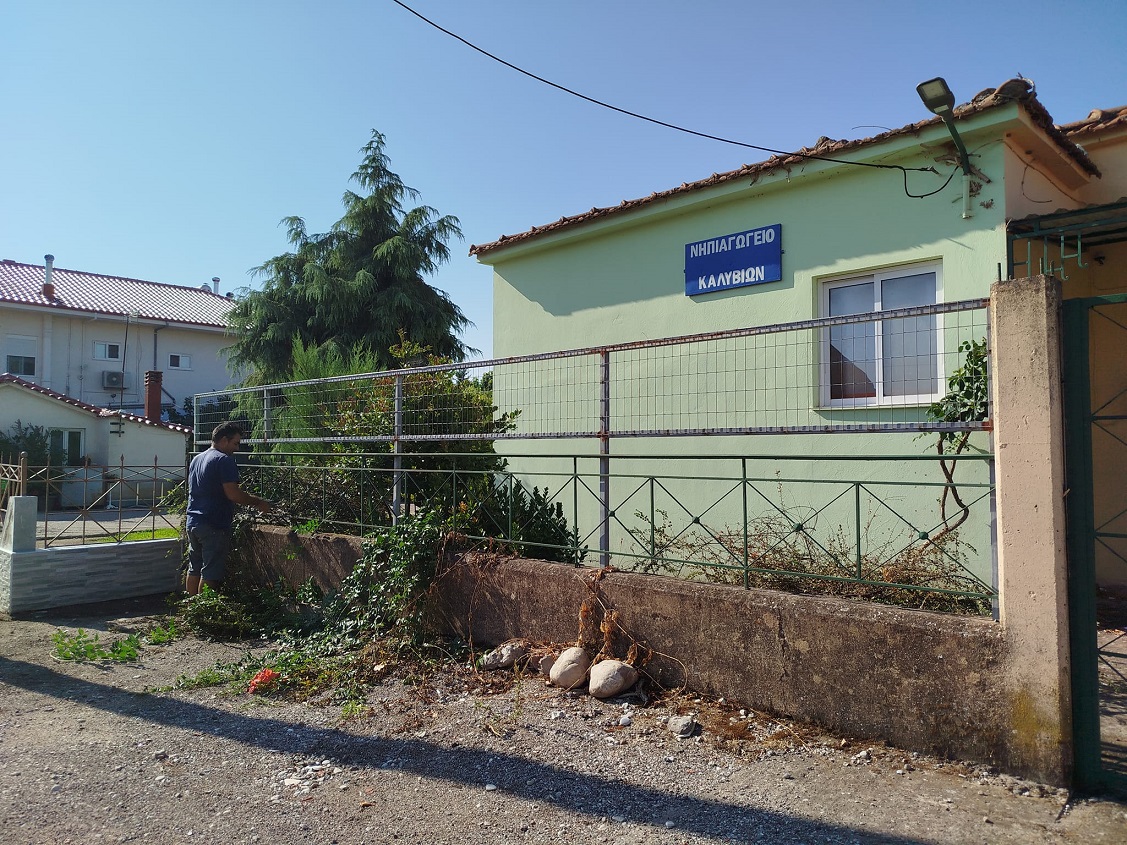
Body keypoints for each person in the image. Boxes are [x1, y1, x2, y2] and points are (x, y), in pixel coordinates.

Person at [185, 421, 273, 595]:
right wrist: (258, 502)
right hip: (213, 523)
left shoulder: (197, 458)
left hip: (193, 521)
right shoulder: (223, 460)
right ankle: (205, 608)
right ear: (224, 440)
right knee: (210, 572)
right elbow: (233, 494)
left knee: (194, 567)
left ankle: (191, 606)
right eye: (235, 443)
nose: (237, 448)